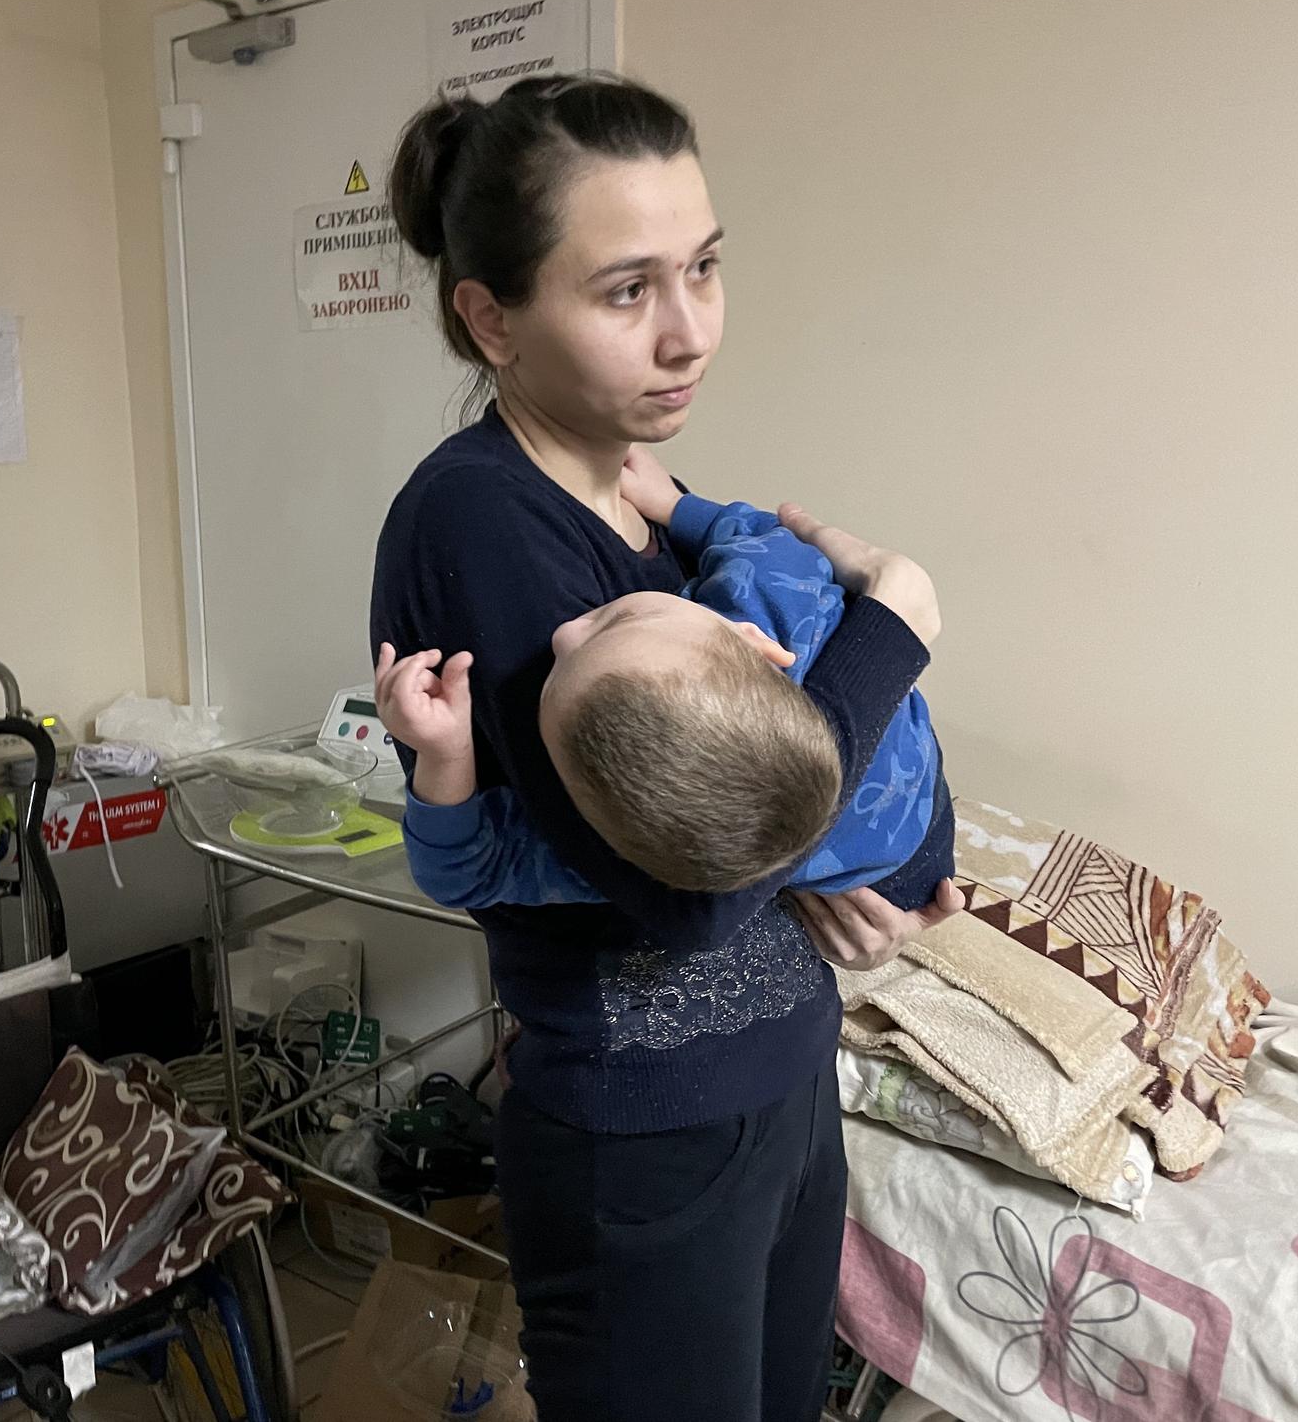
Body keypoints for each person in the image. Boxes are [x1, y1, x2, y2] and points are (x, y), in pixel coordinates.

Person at [368, 73, 964, 1422]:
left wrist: (811, 856)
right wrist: (897, 627)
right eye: (627, 289)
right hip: (644, 1131)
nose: (690, 333)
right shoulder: (480, 524)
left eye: (703, 268)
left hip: (777, 1079)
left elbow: (735, 795)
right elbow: (685, 891)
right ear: (489, 316)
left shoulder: (641, 492)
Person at [375, 441, 950, 910]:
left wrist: (444, 758)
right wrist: (676, 506)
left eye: (619, 617)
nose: (563, 634)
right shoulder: (770, 596)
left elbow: (461, 874)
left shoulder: (619, 854)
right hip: (912, 849)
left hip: (904, 851)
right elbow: (761, 538)